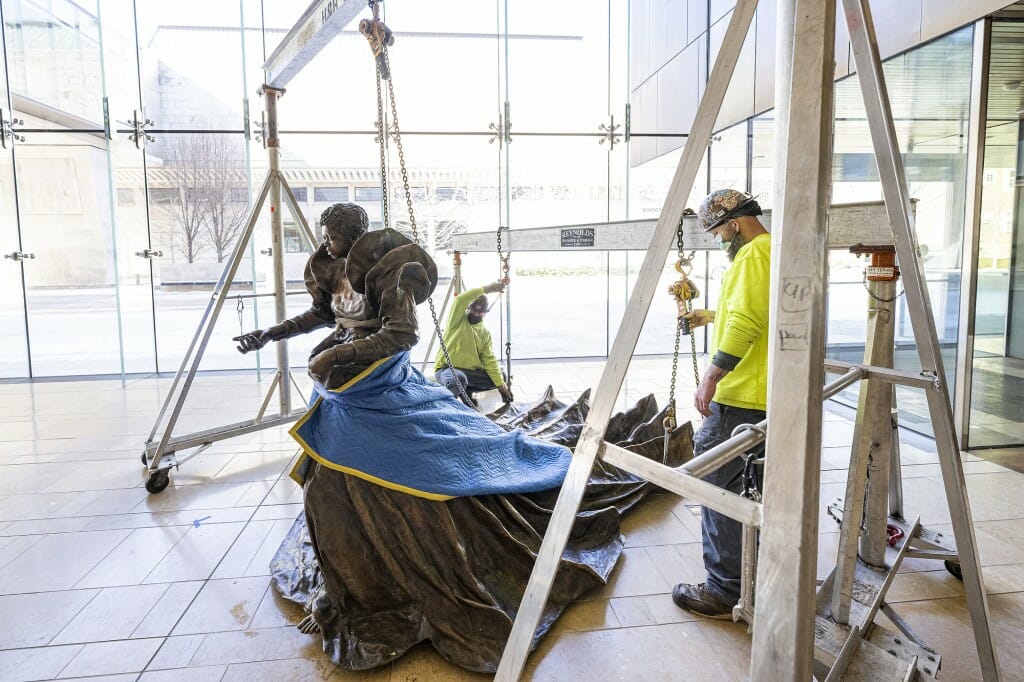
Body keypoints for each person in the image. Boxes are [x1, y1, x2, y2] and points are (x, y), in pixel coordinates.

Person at [671, 188, 771, 619]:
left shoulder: (752, 255)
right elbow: (753, 312)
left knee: (716, 487)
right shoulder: (773, 253)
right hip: (764, 397)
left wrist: (711, 376)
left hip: (740, 399)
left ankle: (724, 588)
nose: (716, 239)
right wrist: (708, 317)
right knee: (750, 488)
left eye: (716, 231)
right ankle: (757, 576)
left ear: (734, 223)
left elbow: (747, 321)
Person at [232, 202, 382, 389]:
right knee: (318, 364)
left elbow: (402, 333)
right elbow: (321, 314)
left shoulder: (382, 273)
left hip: (375, 350)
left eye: (332, 237)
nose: (325, 243)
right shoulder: (333, 270)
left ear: (354, 238)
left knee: (329, 370)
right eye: (324, 236)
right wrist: (269, 333)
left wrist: (337, 354)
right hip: (343, 341)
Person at [434, 281, 514, 407]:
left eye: (479, 312)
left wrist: (502, 387)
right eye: (473, 310)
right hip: (447, 370)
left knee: (501, 376)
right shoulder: (457, 320)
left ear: (485, 312)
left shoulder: (484, 333)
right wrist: (486, 288)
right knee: (458, 379)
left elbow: (489, 360)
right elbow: (460, 300)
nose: (475, 314)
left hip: (470, 374)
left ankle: (467, 392)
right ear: (468, 308)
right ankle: (450, 408)